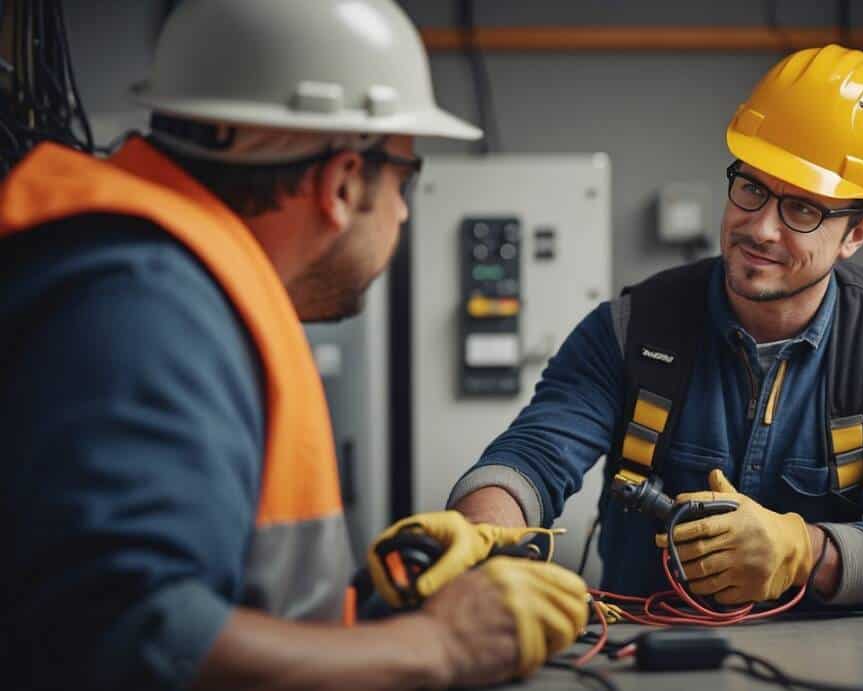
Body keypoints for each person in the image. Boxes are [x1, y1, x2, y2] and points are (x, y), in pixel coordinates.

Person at [0, 1, 587, 689]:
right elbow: (125, 635)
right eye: (405, 178)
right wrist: (438, 644)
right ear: (341, 183)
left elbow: (220, 598)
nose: (402, 210)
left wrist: (386, 596)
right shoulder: (142, 304)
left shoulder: (164, 283)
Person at [448, 44, 863, 608]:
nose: (763, 228)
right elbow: (531, 459)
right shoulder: (633, 330)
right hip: (646, 656)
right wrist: (479, 537)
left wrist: (803, 551)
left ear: (857, 234)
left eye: (802, 210)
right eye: (752, 188)